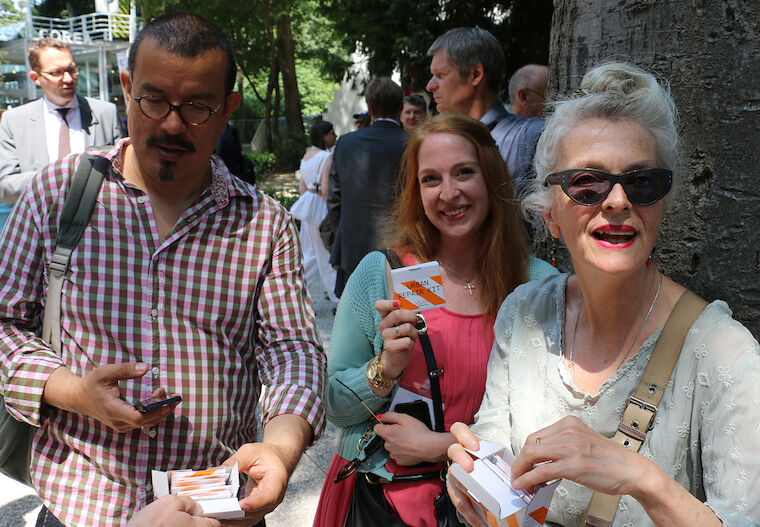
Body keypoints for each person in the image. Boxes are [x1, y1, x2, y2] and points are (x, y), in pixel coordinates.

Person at [0, 13, 325, 527]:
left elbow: (293, 351)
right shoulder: (57, 195)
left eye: (197, 106)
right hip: (84, 503)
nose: (173, 123)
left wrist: (280, 450)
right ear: (127, 89)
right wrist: (73, 391)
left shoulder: (264, 224)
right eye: (154, 100)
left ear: (227, 110)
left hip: (215, 507)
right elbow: (5, 324)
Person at [446, 62, 760, 526]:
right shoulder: (522, 313)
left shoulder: (724, 353)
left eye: (642, 182)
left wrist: (639, 477)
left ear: (660, 207)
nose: (617, 200)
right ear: (549, 214)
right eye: (587, 183)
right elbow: (494, 444)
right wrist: (472, 475)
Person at [314, 114, 557, 527]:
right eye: (431, 179)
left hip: (487, 506)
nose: (449, 193)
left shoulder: (538, 284)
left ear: (492, 178)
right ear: (415, 190)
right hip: (382, 503)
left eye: (464, 172)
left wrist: (440, 446)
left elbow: (552, 427)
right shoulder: (382, 272)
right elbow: (335, 407)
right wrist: (385, 367)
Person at [0, 37, 123, 231]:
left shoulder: (105, 114)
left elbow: (123, 175)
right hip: (38, 231)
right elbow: (5, 188)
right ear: (36, 78)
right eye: (56, 72)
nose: (67, 78)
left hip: (99, 231)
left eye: (71, 69)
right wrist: (60, 175)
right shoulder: (14, 121)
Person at [425, 27, 543, 187]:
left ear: (475, 74)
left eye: (440, 75)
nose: (430, 86)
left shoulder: (532, 137)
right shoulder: (437, 140)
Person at [326, 77, 408, 297]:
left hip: (353, 247)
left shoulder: (345, 143)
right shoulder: (413, 142)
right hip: (402, 249)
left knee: (356, 320)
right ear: (401, 107)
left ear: (369, 109)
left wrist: (339, 237)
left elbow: (334, 198)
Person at [290, 120, 338, 303]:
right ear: (323, 135)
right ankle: (337, 297)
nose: (335, 136)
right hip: (320, 208)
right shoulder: (327, 157)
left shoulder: (307, 156)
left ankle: (294, 290)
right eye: (332, 133)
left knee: (309, 254)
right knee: (326, 254)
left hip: (307, 208)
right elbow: (326, 189)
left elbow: (302, 187)